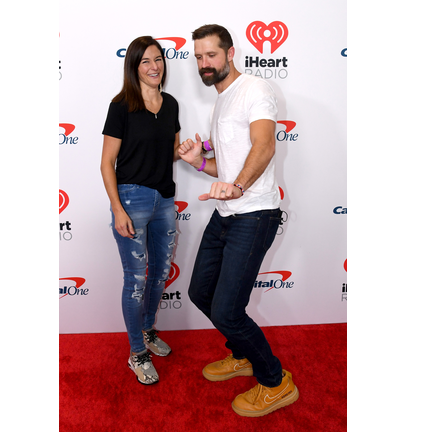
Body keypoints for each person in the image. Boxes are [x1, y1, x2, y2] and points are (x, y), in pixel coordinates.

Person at [176, 24, 299, 417]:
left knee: (228, 310)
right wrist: (198, 161)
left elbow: (264, 146)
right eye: (198, 57)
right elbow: (224, 168)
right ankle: (242, 353)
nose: (204, 63)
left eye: (211, 54)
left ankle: (275, 381)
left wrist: (239, 186)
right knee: (199, 293)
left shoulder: (256, 89)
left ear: (230, 53)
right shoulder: (221, 101)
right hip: (227, 214)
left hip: (255, 213)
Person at [100, 36, 182, 385]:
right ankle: (137, 352)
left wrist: (193, 149)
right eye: (146, 61)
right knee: (135, 280)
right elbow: (106, 164)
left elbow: (174, 153)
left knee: (160, 274)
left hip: (165, 201)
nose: (154, 66)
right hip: (132, 201)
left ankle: (147, 330)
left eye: (158, 59)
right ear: (134, 67)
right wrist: (118, 209)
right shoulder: (121, 106)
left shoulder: (172, 103)